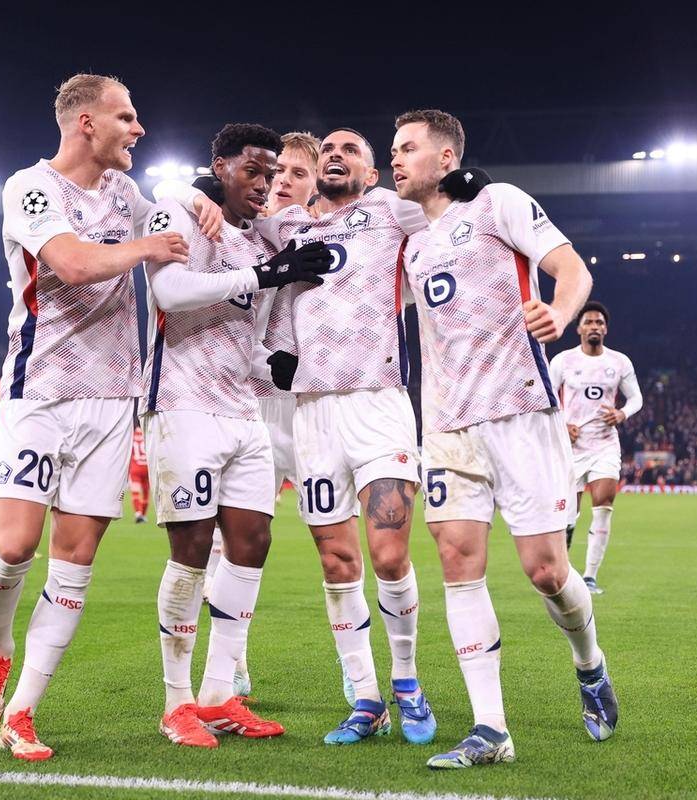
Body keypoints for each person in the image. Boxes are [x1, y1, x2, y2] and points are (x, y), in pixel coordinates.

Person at [157, 128, 437, 747]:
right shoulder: (284, 229)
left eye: (350, 150)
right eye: (327, 150)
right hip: (308, 413)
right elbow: (183, 193)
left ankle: (408, 681)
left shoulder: (390, 211)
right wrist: (192, 191)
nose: (336, 155)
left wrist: (466, 182)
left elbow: (449, 211)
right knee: (336, 561)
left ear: (372, 172)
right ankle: (365, 697)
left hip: (377, 400)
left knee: (389, 555)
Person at [0, 73, 192, 761]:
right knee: (13, 548)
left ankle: (24, 712)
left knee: (75, 560)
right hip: (39, 390)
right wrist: (148, 248)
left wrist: (196, 203)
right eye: (126, 116)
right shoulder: (29, 187)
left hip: (112, 399)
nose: (138, 128)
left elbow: (168, 216)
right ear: (86, 123)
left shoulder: (125, 193)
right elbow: (69, 263)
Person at [391, 108, 617, 769]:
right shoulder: (413, 245)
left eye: (408, 147)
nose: (395, 158)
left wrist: (560, 312)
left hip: (520, 411)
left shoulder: (499, 203)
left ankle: (590, 663)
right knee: (457, 564)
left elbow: (572, 269)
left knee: (546, 571)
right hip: (448, 425)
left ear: (446, 157)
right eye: (393, 148)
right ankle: (491, 729)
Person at [143, 123, 333, 749]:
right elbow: (170, 291)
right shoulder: (182, 214)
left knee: (251, 542)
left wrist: (273, 366)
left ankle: (219, 694)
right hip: (184, 405)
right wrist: (264, 275)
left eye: (271, 173)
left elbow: (241, 337)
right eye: (253, 170)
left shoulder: (253, 241)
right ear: (220, 166)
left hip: (243, 409)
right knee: (192, 548)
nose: (265, 183)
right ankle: (176, 703)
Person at [548, 301, 643, 594]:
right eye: (588, 322)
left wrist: (622, 414)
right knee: (568, 516)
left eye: (599, 323)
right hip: (571, 447)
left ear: (605, 329)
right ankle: (564, 572)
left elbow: (636, 399)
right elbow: (547, 399)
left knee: (603, 505)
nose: (594, 326)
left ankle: (589, 577)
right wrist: (562, 425)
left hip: (604, 445)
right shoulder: (563, 361)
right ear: (578, 328)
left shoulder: (619, 362)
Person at [129, 418, 149, 523]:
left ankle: (138, 513)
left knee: (135, 491)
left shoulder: (131, 436)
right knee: (146, 492)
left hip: (135, 467)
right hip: (147, 467)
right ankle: (144, 515)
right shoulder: (147, 435)